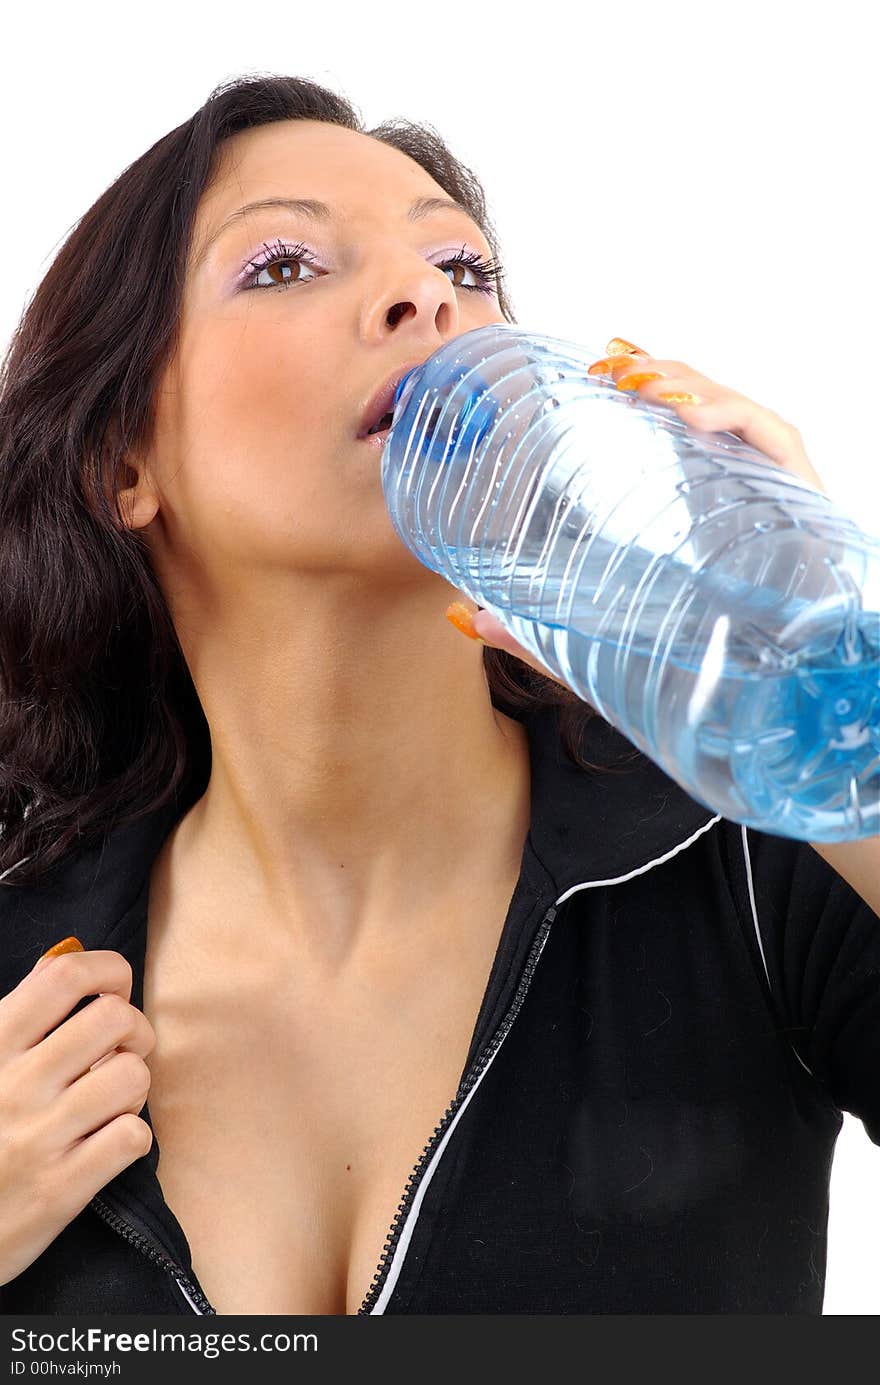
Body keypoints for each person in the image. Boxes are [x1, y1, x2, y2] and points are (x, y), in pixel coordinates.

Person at [0, 73, 877, 1318]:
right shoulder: (19, 970)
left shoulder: (751, 856)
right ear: (120, 461)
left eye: (463, 264)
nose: (431, 297)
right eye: (288, 263)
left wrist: (833, 703)